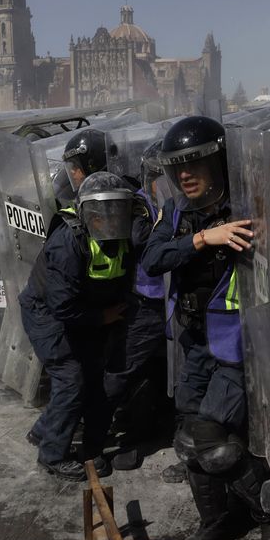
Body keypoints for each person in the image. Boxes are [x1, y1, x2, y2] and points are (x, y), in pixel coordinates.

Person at [141, 116, 268, 540]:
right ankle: (215, 521)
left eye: (195, 164)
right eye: (177, 167)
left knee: (211, 438)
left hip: (238, 343)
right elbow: (152, 260)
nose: (185, 175)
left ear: (219, 162)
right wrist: (201, 239)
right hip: (195, 340)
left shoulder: (248, 204)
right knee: (188, 438)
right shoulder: (177, 213)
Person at [20, 171, 135, 481]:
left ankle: (43, 431)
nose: (109, 218)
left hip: (81, 312)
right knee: (71, 381)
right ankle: (52, 455)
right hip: (47, 314)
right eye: (101, 212)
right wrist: (103, 317)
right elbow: (61, 305)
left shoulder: (122, 237)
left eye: (116, 209)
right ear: (87, 213)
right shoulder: (68, 242)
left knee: (87, 374)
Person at [104, 142, 172, 471]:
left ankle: (148, 427)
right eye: (162, 179)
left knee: (160, 371)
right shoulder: (141, 205)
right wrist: (166, 222)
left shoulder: (176, 204)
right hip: (146, 302)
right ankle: (98, 430)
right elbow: (139, 239)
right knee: (125, 369)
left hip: (171, 303)